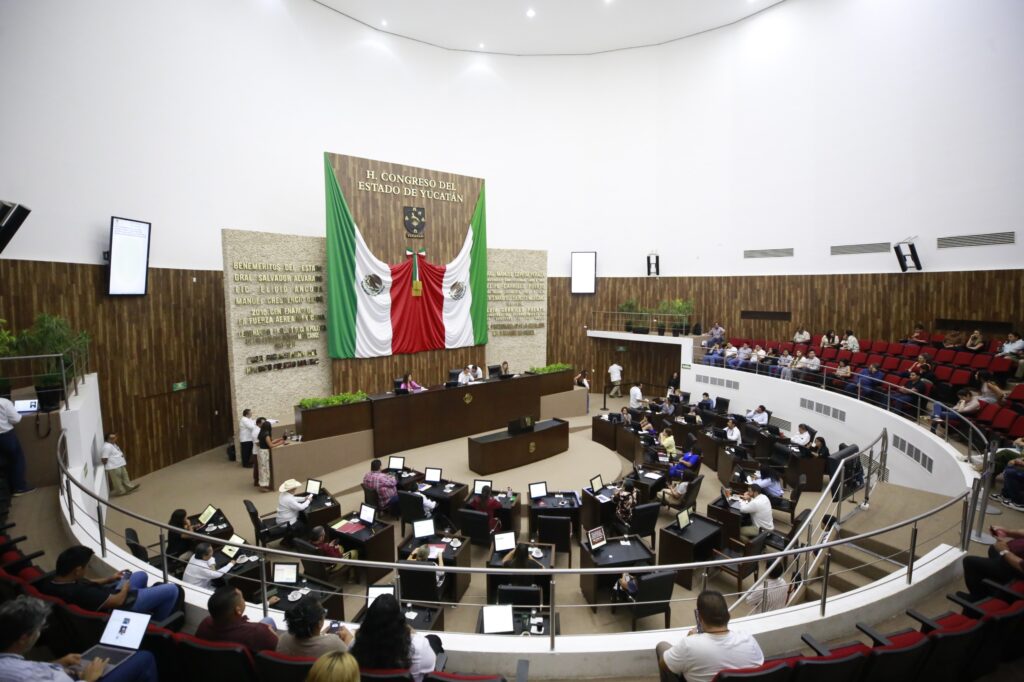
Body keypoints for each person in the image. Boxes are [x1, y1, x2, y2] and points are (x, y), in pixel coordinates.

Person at [0, 595, 158, 682]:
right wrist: (88, 679)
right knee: (145, 657)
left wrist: (57, 663)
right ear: (24, 638)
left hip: (67, 674)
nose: (39, 633)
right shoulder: (23, 674)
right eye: (38, 630)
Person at [38, 546, 181, 622]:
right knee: (172, 590)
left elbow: (87, 582)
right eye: (86, 566)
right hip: (120, 606)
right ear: (77, 570)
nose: (87, 569)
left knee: (141, 575)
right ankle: (155, 624)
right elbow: (118, 601)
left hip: (109, 596)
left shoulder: (54, 581)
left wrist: (110, 579)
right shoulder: (84, 593)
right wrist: (125, 586)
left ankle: (146, 606)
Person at [657, 590, 763, 682]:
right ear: (728, 616)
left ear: (699, 618)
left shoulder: (689, 644)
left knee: (662, 646)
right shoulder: (748, 639)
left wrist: (690, 639)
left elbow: (664, 665)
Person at [350, 594, 441, 682]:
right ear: (400, 620)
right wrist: (411, 631)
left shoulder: (355, 644)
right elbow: (431, 668)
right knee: (433, 639)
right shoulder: (419, 646)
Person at [195, 586, 279, 652]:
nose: (243, 600)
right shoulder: (259, 631)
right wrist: (271, 634)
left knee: (268, 620)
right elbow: (279, 651)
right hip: (249, 667)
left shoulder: (205, 623)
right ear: (238, 610)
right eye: (242, 598)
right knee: (268, 621)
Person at [960, 526, 1024, 601]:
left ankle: (977, 598)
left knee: (969, 562)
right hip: (1015, 554)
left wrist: (1005, 552)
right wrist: (1008, 532)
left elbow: (1021, 566)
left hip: (1017, 568)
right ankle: (993, 587)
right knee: (993, 549)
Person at [277, 595, 352, 658]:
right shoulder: (334, 643)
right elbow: (350, 661)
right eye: (323, 612)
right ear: (319, 623)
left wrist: (322, 634)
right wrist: (348, 637)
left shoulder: (284, 638)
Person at [0, 397, 33, 496]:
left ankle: (6, 489)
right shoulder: (4, 402)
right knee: (17, 461)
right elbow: (16, 419)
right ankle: (19, 487)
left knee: (2, 464)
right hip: (6, 435)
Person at [100, 432, 139, 497]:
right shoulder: (106, 447)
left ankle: (129, 487)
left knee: (125, 476)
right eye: (113, 438)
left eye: (115, 437)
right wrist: (110, 464)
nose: (115, 438)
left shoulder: (113, 444)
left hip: (120, 464)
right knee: (117, 480)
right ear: (108, 439)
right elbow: (104, 459)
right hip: (113, 467)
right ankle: (121, 492)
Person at [255, 418, 282, 492]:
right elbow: (271, 445)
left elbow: (269, 442)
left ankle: (263, 485)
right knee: (264, 470)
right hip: (264, 453)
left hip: (261, 451)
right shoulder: (266, 434)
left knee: (262, 469)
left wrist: (278, 440)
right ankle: (263, 486)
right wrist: (280, 443)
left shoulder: (261, 433)